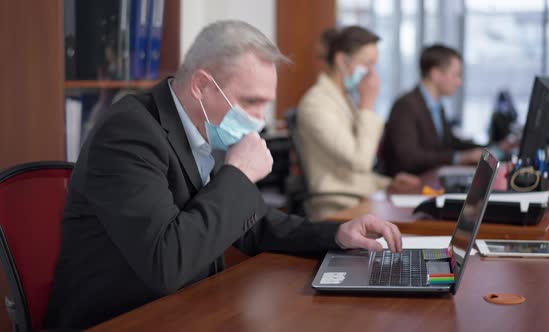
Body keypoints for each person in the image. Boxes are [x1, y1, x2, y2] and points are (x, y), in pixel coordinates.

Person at [43, 20, 404, 329]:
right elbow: (167, 263)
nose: (260, 119)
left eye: (266, 102)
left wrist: (336, 234)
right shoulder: (129, 132)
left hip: (186, 308)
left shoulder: (202, 125)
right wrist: (238, 172)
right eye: (250, 102)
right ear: (201, 85)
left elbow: (253, 224)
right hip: (121, 319)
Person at [297, 26, 421, 219]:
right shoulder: (316, 104)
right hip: (337, 208)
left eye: (374, 66)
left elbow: (352, 172)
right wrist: (368, 103)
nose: (372, 74)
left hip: (358, 199)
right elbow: (360, 162)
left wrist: (388, 183)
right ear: (341, 60)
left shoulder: (343, 99)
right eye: (367, 64)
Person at [381, 44, 484, 176]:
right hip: (410, 185)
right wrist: (459, 157)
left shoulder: (436, 105)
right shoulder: (405, 106)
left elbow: (448, 143)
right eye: (456, 75)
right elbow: (409, 157)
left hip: (432, 178)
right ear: (436, 75)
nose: (459, 82)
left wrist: (489, 149)